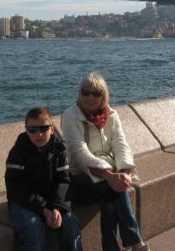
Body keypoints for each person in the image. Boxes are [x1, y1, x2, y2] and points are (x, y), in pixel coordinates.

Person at [61, 73, 149, 251]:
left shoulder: (111, 114)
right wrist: (109, 175)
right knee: (112, 190)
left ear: (104, 95)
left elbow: (121, 144)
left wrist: (124, 173)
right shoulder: (70, 116)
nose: (90, 97)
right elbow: (79, 153)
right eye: (86, 93)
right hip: (80, 177)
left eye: (96, 93)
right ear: (80, 93)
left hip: (108, 175)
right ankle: (136, 243)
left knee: (111, 198)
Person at [5, 106, 82, 251]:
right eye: (32, 130)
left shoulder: (59, 149)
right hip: (24, 202)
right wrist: (43, 209)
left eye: (43, 128)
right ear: (26, 130)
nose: (38, 134)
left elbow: (64, 181)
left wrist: (57, 208)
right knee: (32, 227)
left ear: (52, 129)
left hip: (52, 199)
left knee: (70, 224)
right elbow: (16, 189)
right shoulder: (18, 152)